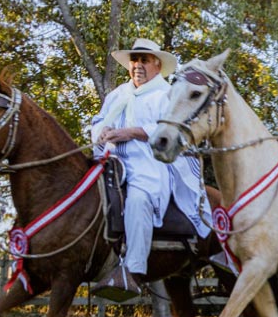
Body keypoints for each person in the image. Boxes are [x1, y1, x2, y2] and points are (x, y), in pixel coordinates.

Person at [90, 38, 212, 296]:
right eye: (135, 60)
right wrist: (102, 132)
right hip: (111, 160)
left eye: (144, 60)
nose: (138, 65)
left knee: (138, 199)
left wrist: (132, 132)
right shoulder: (117, 95)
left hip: (149, 163)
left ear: (157, 64)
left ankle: (132, 271)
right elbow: (98, 120)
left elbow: (173, 131)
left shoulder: (166, 95)